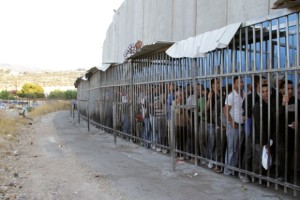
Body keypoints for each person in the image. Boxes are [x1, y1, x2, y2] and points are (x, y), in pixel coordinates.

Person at [223, 76, 245, 178]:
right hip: (233, 126)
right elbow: (226, 111)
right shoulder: (231, 96)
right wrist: (232, 122)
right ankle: (227, 170)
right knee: (231, 148)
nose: (241, 84)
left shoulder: (243, 95)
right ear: (234, 84)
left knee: (237, 148)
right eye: (238, 82)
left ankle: (233, 169)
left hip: (241, 124)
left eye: (242, 82)